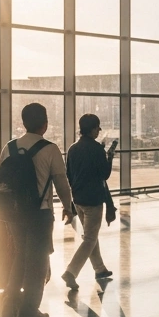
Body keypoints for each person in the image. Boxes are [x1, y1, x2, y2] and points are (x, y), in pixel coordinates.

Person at [0, 103, 75, 317]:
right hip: (39, 213)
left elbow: (2, 181)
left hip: (13, 213)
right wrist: (68, 207)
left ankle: (9, 306)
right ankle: (29, 310)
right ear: (45, 124)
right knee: (37, 263)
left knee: (20, 257)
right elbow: (61, 181)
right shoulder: (49, 149)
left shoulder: (9, 147)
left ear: (23, 123)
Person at [61, 113, 117, 293]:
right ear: (93, 129)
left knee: (90, 235)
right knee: (90, 238)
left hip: (78, 198)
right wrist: (110, 156)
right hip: (93, 199)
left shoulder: (73, 148)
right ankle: (71, 271)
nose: (98, 131)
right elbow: (104, 175)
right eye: (98, 128)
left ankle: (99, 269)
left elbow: (68, 174)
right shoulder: (96, 149)